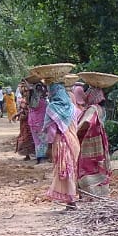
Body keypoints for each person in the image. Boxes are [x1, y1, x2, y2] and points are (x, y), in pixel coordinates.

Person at [44, 80, 82, 208]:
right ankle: (71, 198)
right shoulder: (72, 107)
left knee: (63, 169)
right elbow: (76, 124)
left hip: (61, 142)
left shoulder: (52, 108)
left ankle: (70, 200)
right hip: (73, 141)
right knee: (71, 169)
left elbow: (52, 131)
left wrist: (49, 146)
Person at [75, 86, 112, 199]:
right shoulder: (101, 109)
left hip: (89, 142)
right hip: (99, 141)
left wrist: (75, 131)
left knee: (87, 165)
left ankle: (90, 193)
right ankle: (101, 192)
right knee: (98, 164)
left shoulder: (92, 109)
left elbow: (86, 123)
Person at [27, 82, 49, 163]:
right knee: (43, 140)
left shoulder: (31, 100)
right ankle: (42, 157)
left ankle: (38, 158)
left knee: (37, 141)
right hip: (40, 123)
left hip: (32, 122)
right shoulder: (42, 101)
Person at [12, 82, 34, 160]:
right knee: (26, 136)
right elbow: (23, 110)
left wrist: (22, 115)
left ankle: (29, 154)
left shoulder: (29, 99)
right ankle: (27, 154)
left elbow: (28, 111)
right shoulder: (24, 99)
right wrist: (18, 114)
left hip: (29, 121)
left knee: (28, 137)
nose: (21, 90)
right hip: (24, 122)